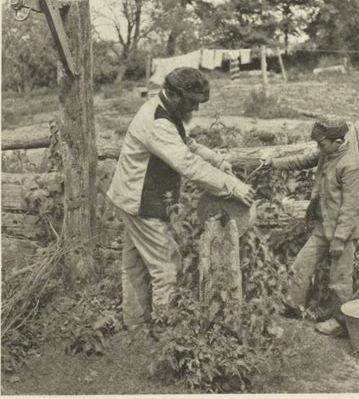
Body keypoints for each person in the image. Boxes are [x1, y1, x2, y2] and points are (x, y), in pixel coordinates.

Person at [107, 67, 254, 333]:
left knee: (135, 263)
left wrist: (218, 160)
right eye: (192, 102)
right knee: (166, 265)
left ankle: (135, 323)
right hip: (140, 201)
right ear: (175, 94)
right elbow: (187, 164)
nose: (195, 109)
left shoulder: (164, 109)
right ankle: (166, 332)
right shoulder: (157, 122)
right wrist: (231, 185)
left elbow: (188, 145)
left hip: (130, 195)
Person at [264, 115, 359, 335]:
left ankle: (342, 323)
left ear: (338, 142)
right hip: (323, 226)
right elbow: (302, 160)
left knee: (339, 278)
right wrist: (274, 163)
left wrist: (339, 238)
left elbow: (352, 207)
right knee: (301, 264)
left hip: (342, 233)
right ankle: (293, 305)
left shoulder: (350, 165)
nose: (318, 147)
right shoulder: (327, 153)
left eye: (321, 143)